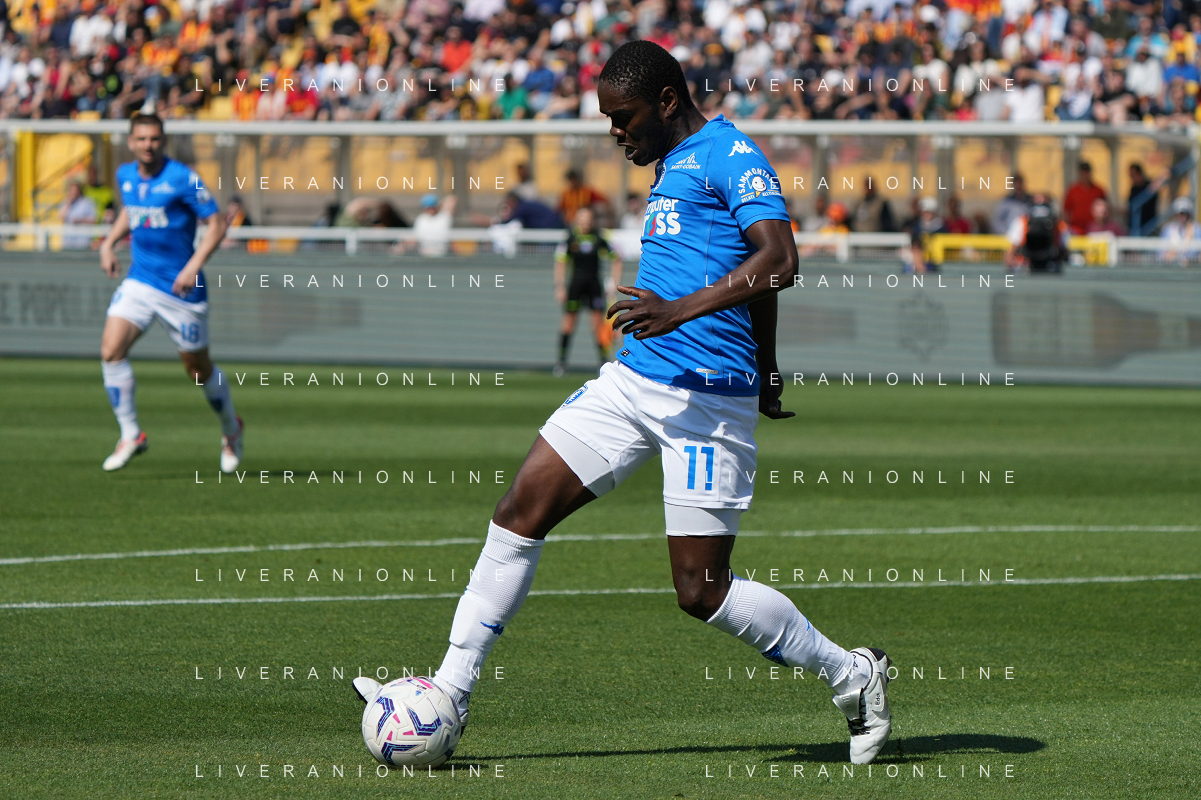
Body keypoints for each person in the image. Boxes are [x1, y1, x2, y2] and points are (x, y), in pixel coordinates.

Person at [354, 40, 893, 769]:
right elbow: (749, 273)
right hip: (632, 382)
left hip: (705, 402)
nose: (615, 132)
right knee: (518, 513)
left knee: (700, 590)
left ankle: (850, 673)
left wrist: (688, 318)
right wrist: (766, 363)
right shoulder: (670, 162)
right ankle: (450, 691)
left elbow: (778, 261)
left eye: (623, 117)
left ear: (667, 101)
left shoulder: (731, 154)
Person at [98, 114, 239, 472]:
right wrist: (109, 243)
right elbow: (132, 211)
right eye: (142, 139)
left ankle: (230, 427)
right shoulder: (125, 175)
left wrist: (193, 266)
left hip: (181, 289)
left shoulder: (182, 178)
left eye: (155, 139)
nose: (148, 145)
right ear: (131, 142)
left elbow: (217, 224)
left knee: (197, 371)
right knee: (111, 351)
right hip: (140, 280)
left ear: (163, 141)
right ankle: (131, 434)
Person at [553, 207, 623, 377]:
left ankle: (603, 363)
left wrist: (614, 283)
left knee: (597, 326)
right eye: (582, 219)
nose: (585, 222)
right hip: (575, 287)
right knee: (568, 325)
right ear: (577, 220)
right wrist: (559, 286)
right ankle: (561, 363)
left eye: (588, 219)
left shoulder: (599, 237)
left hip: (594, 287)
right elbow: (560, 262)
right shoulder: (570, 238)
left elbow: (616, 258)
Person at [1006, 193, 1070, 273]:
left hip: (1050, 265)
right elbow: (1010, 254)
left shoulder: (1059, 225)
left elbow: (1064, 251)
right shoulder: (1021, 222)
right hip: (1026, 265)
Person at [1063, 162, 1108, 234]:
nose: (1085, 175)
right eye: (1082, 173)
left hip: (1095, 229)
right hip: (1076, 229)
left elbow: (1106, 208)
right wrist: (1067, 227)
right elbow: (1066, 210)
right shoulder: (1073, 190)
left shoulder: (1098, 191)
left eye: (1086, 173)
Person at [1159, 196, 1201, 264]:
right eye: (1179, 214)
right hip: (1171, 267)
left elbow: (1197, 252)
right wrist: (1169, 255)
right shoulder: (1168, 229)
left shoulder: (1197, 229)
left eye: (1184, 214)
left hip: (1191, 267)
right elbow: (1160, 252)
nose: (1182, 216)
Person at [59, 179, 98, 249]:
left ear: (79, 190)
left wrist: (80, 220)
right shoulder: (66, 202)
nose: (73, 192)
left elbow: (94, 220)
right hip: (69, 241)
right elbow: (61, 217)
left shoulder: (87, 202)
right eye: (71, 190)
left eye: (75, 190)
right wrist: (69, 202)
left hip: (82, 241)